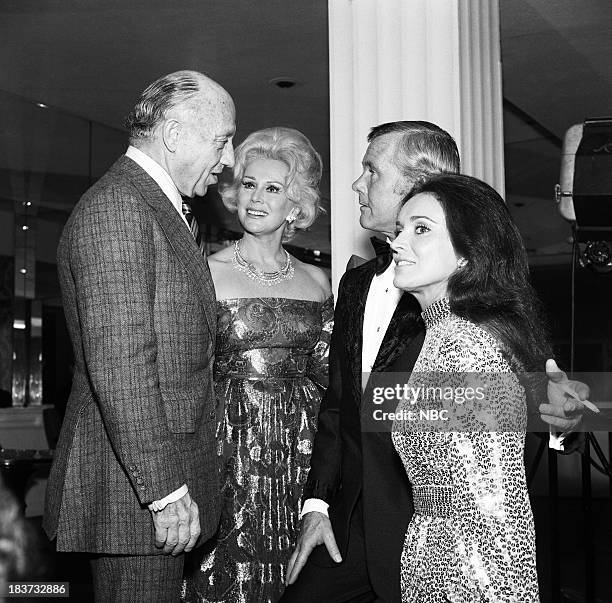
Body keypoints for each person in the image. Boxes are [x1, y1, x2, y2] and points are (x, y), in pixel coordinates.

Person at [282, 121, 588, 603]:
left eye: (371, 170)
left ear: (418, 179)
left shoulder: (475, 312)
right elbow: (342, 403)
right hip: (355, 520)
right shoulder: (359, 282)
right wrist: (318, 502)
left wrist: (559, 419)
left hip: (443, 538)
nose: (358, 184)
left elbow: (540, 401)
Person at [43, 70, 236, 602]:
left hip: (144, 488)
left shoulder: (152, 205)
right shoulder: (119, 209)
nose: (228, 160)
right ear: (174, 134)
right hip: (135, 497)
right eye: (221, 140)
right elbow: (122, 367)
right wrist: (166, 492)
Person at [182, 127, 333, 603]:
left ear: (297, 204)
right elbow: (186, 374)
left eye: (273, 188)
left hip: (304, 450)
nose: (256, 197)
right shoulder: (206, 272)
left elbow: (330, 378)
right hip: (229, 449)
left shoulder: (318, 280)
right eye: (248, 183)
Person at [390, 173, 543, 600]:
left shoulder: (466, 345)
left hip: (466, 571)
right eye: (399, 230)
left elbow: (496, 502)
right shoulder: (442, 334)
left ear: (466, 254)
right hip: (434, 555)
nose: (398, 242)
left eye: (421, 229)